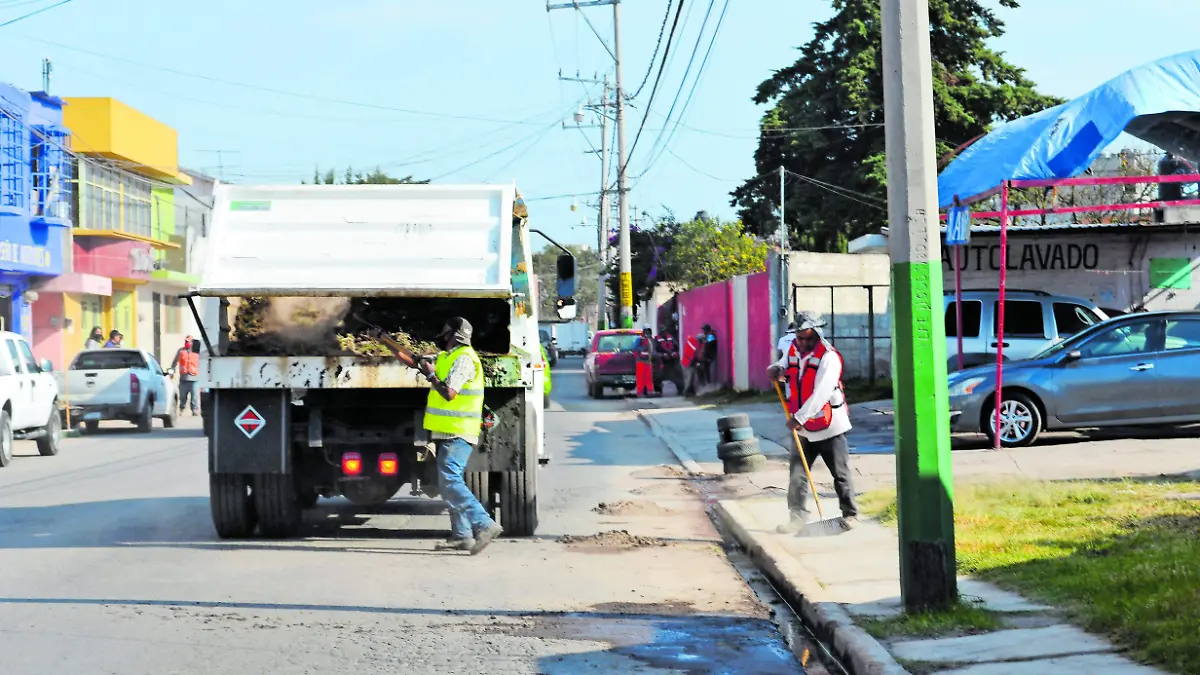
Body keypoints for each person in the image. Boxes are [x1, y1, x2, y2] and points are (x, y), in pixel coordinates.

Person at [379, 317, 503, 555]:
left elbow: (449, 392)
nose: (441, 334)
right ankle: (462, 535)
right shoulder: (446, 357)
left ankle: (484, 524)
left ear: (453, 335)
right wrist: (386, 341)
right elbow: (415, 361)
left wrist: (431, 376)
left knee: (450, 481)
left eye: (445, 332)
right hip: (447, 430)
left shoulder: (464, 359)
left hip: (458, 430)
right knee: (449, 481)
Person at [767, 311, 858, 533]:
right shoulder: (794, 351)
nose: (804, 342)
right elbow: (785, 367)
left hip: (830, 425)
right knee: (797, 474)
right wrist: (778, 369)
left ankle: (850, 515)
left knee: (840, 473)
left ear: (817, 333)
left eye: (808, 337)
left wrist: (799, 418)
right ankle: (797, 517)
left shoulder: (829, 357)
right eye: (800, 338)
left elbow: (821, 393)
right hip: (803, 428)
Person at [171, 336, 201, 416]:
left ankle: (194, 410)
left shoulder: (197, 351)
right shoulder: (181, 351)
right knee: (182, 396)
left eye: (188, 341)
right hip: (183, 379)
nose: (186, 343)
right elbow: (174, 362)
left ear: (192, 343)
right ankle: (182, 408)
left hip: (194, 378)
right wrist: (172, 370)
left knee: (194, 396)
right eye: (185, 341)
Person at [633, 325, 656, 398]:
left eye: (648, 330)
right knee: (640, 378)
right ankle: (640, 392)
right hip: (640, 361)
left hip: (648, 361)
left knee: (648, 377)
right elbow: (635, 348)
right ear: (643, 331)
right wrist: (643, 348)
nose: (647, 332)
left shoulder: (651, 339)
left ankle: (650, 391)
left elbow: (653, 349)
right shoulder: (639, 339)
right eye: (646, 330)